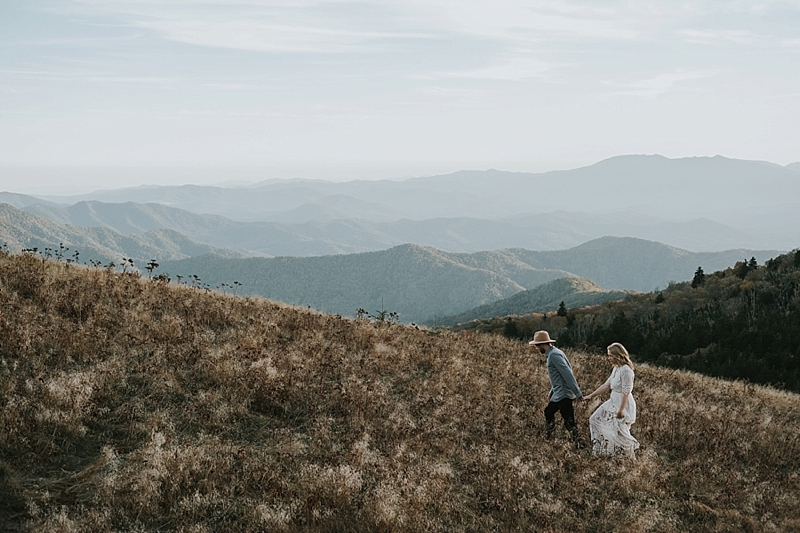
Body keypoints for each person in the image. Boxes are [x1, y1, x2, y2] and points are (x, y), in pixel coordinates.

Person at [582, 342, 640, 459]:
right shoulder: (616, 368)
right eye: (608, 355)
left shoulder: (626, 371)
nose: (609, 358)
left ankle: (630, 459)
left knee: (621, 432)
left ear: (619, 355)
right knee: (594, 419)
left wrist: (620, 410)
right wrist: (590, 396)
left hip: (623, 404)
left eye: (611, 356)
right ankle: (604, 450)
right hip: (613, 401)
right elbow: (606, 385)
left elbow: (626, 392)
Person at [530, 330, 584, 443]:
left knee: (569, 423)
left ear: (541, 344)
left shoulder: (554, 355)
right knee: (548, 412)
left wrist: (578, 394)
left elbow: (568, 374)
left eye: (536, 346)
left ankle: (581, 445)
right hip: (559, 393)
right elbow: (558, 378)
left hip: (564, 394)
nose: (536, 348)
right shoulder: (554, 353)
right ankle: (549, 438)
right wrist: (551, 393)